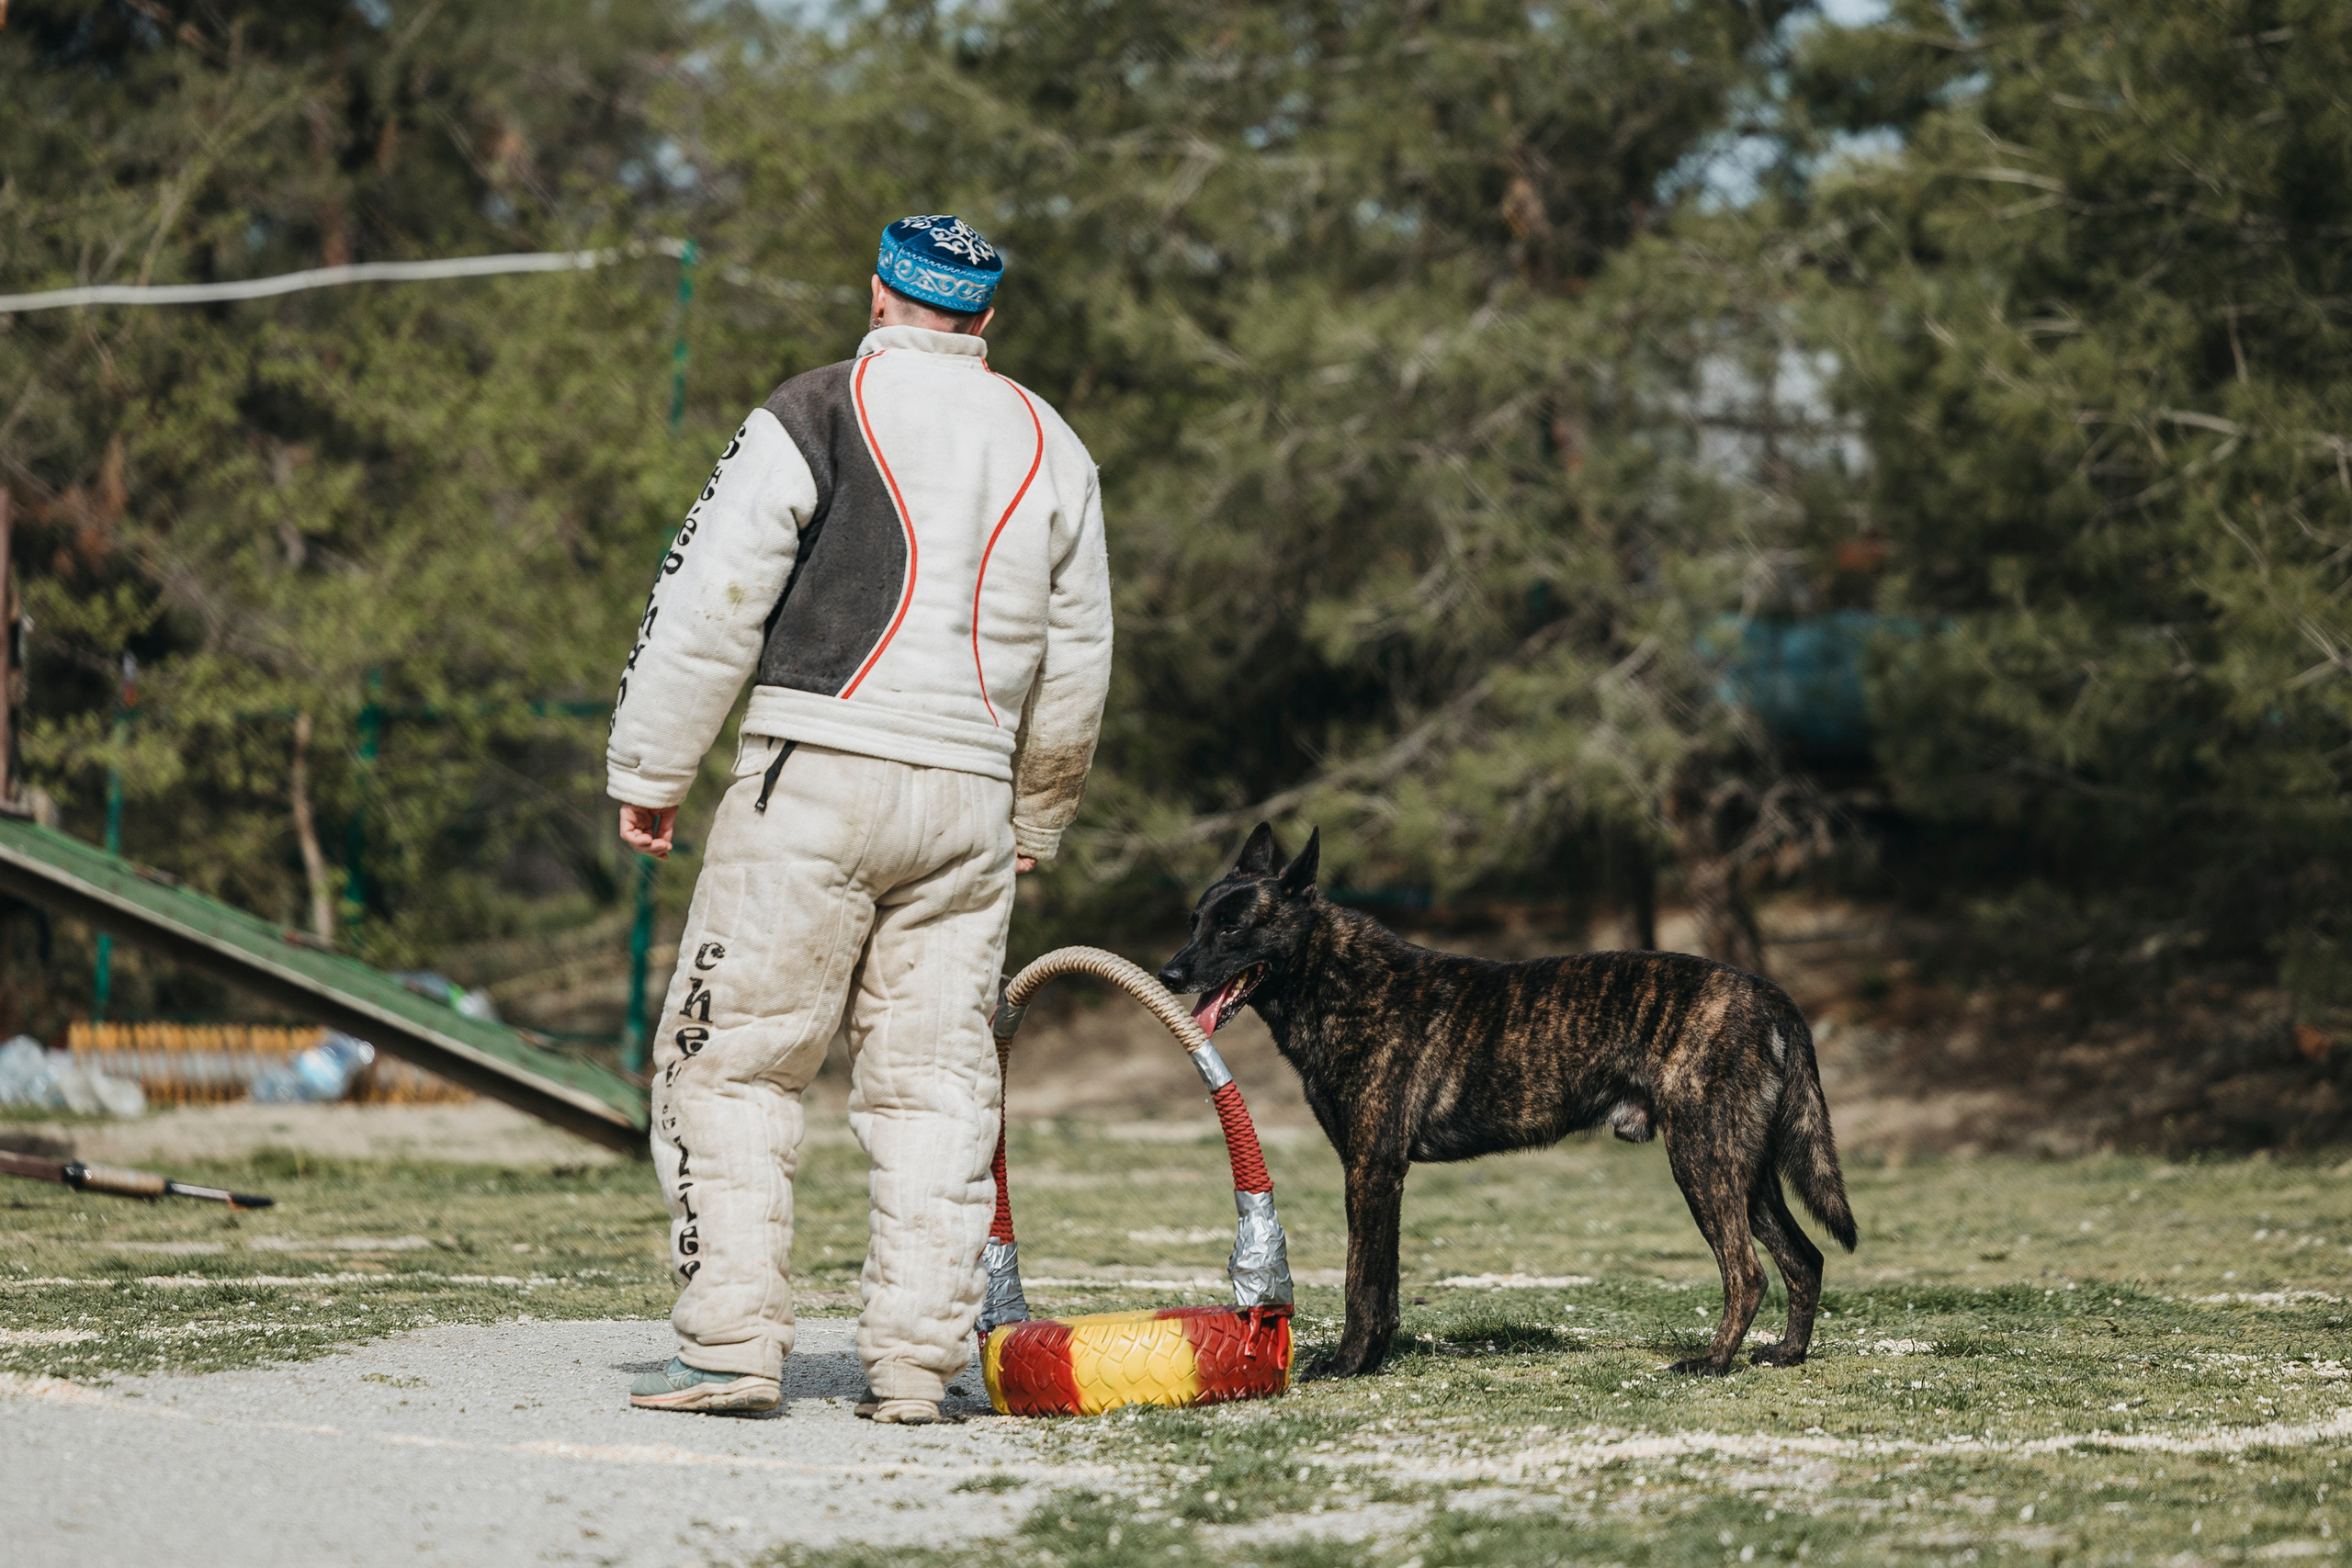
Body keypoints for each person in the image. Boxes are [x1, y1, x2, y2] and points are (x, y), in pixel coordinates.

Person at [606, 215, 1112, 1421]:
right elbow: (1081, 660)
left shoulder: (814, 408)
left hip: (812, 780)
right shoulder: (1055, 445)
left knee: (729, 1067)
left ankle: (729, 1345)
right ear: (986, 321)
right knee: (937, 1089)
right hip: (970, 803)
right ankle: (913, 1368)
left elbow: (711, 597)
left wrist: (653, 767)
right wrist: (1037, 815)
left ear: (878, 295)